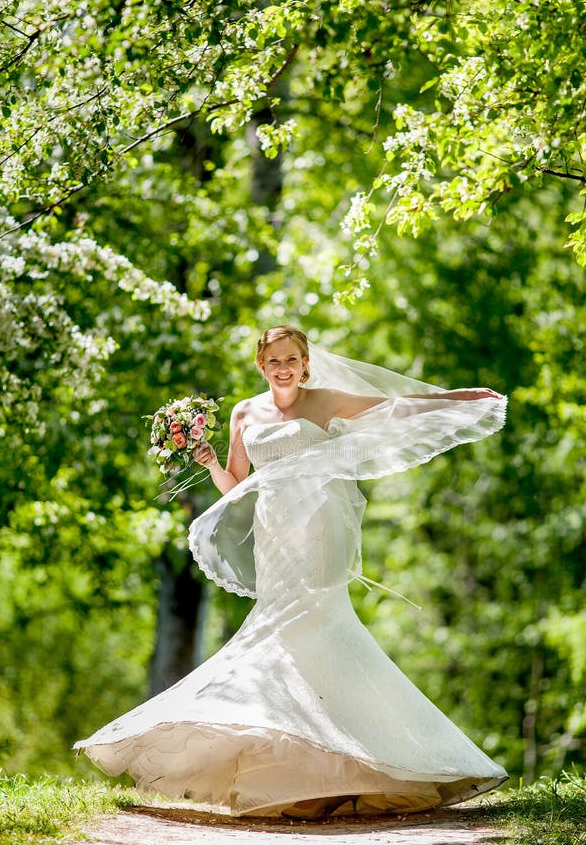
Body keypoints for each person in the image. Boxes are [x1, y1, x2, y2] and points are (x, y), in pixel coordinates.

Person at [75, 325, 508, 818]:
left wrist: (457, 397)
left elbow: (394, 406)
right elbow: (237, 486)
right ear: (261, 365)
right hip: (273, 532)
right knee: (280, 632)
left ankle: (351, 764)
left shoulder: (325, 401)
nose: (284, 369)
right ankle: (305, 772)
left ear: (305, 364)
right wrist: (212, 463)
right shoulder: (244, 412)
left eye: (292, 360)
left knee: (316, 627)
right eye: (274, 361)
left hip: (319, 528)